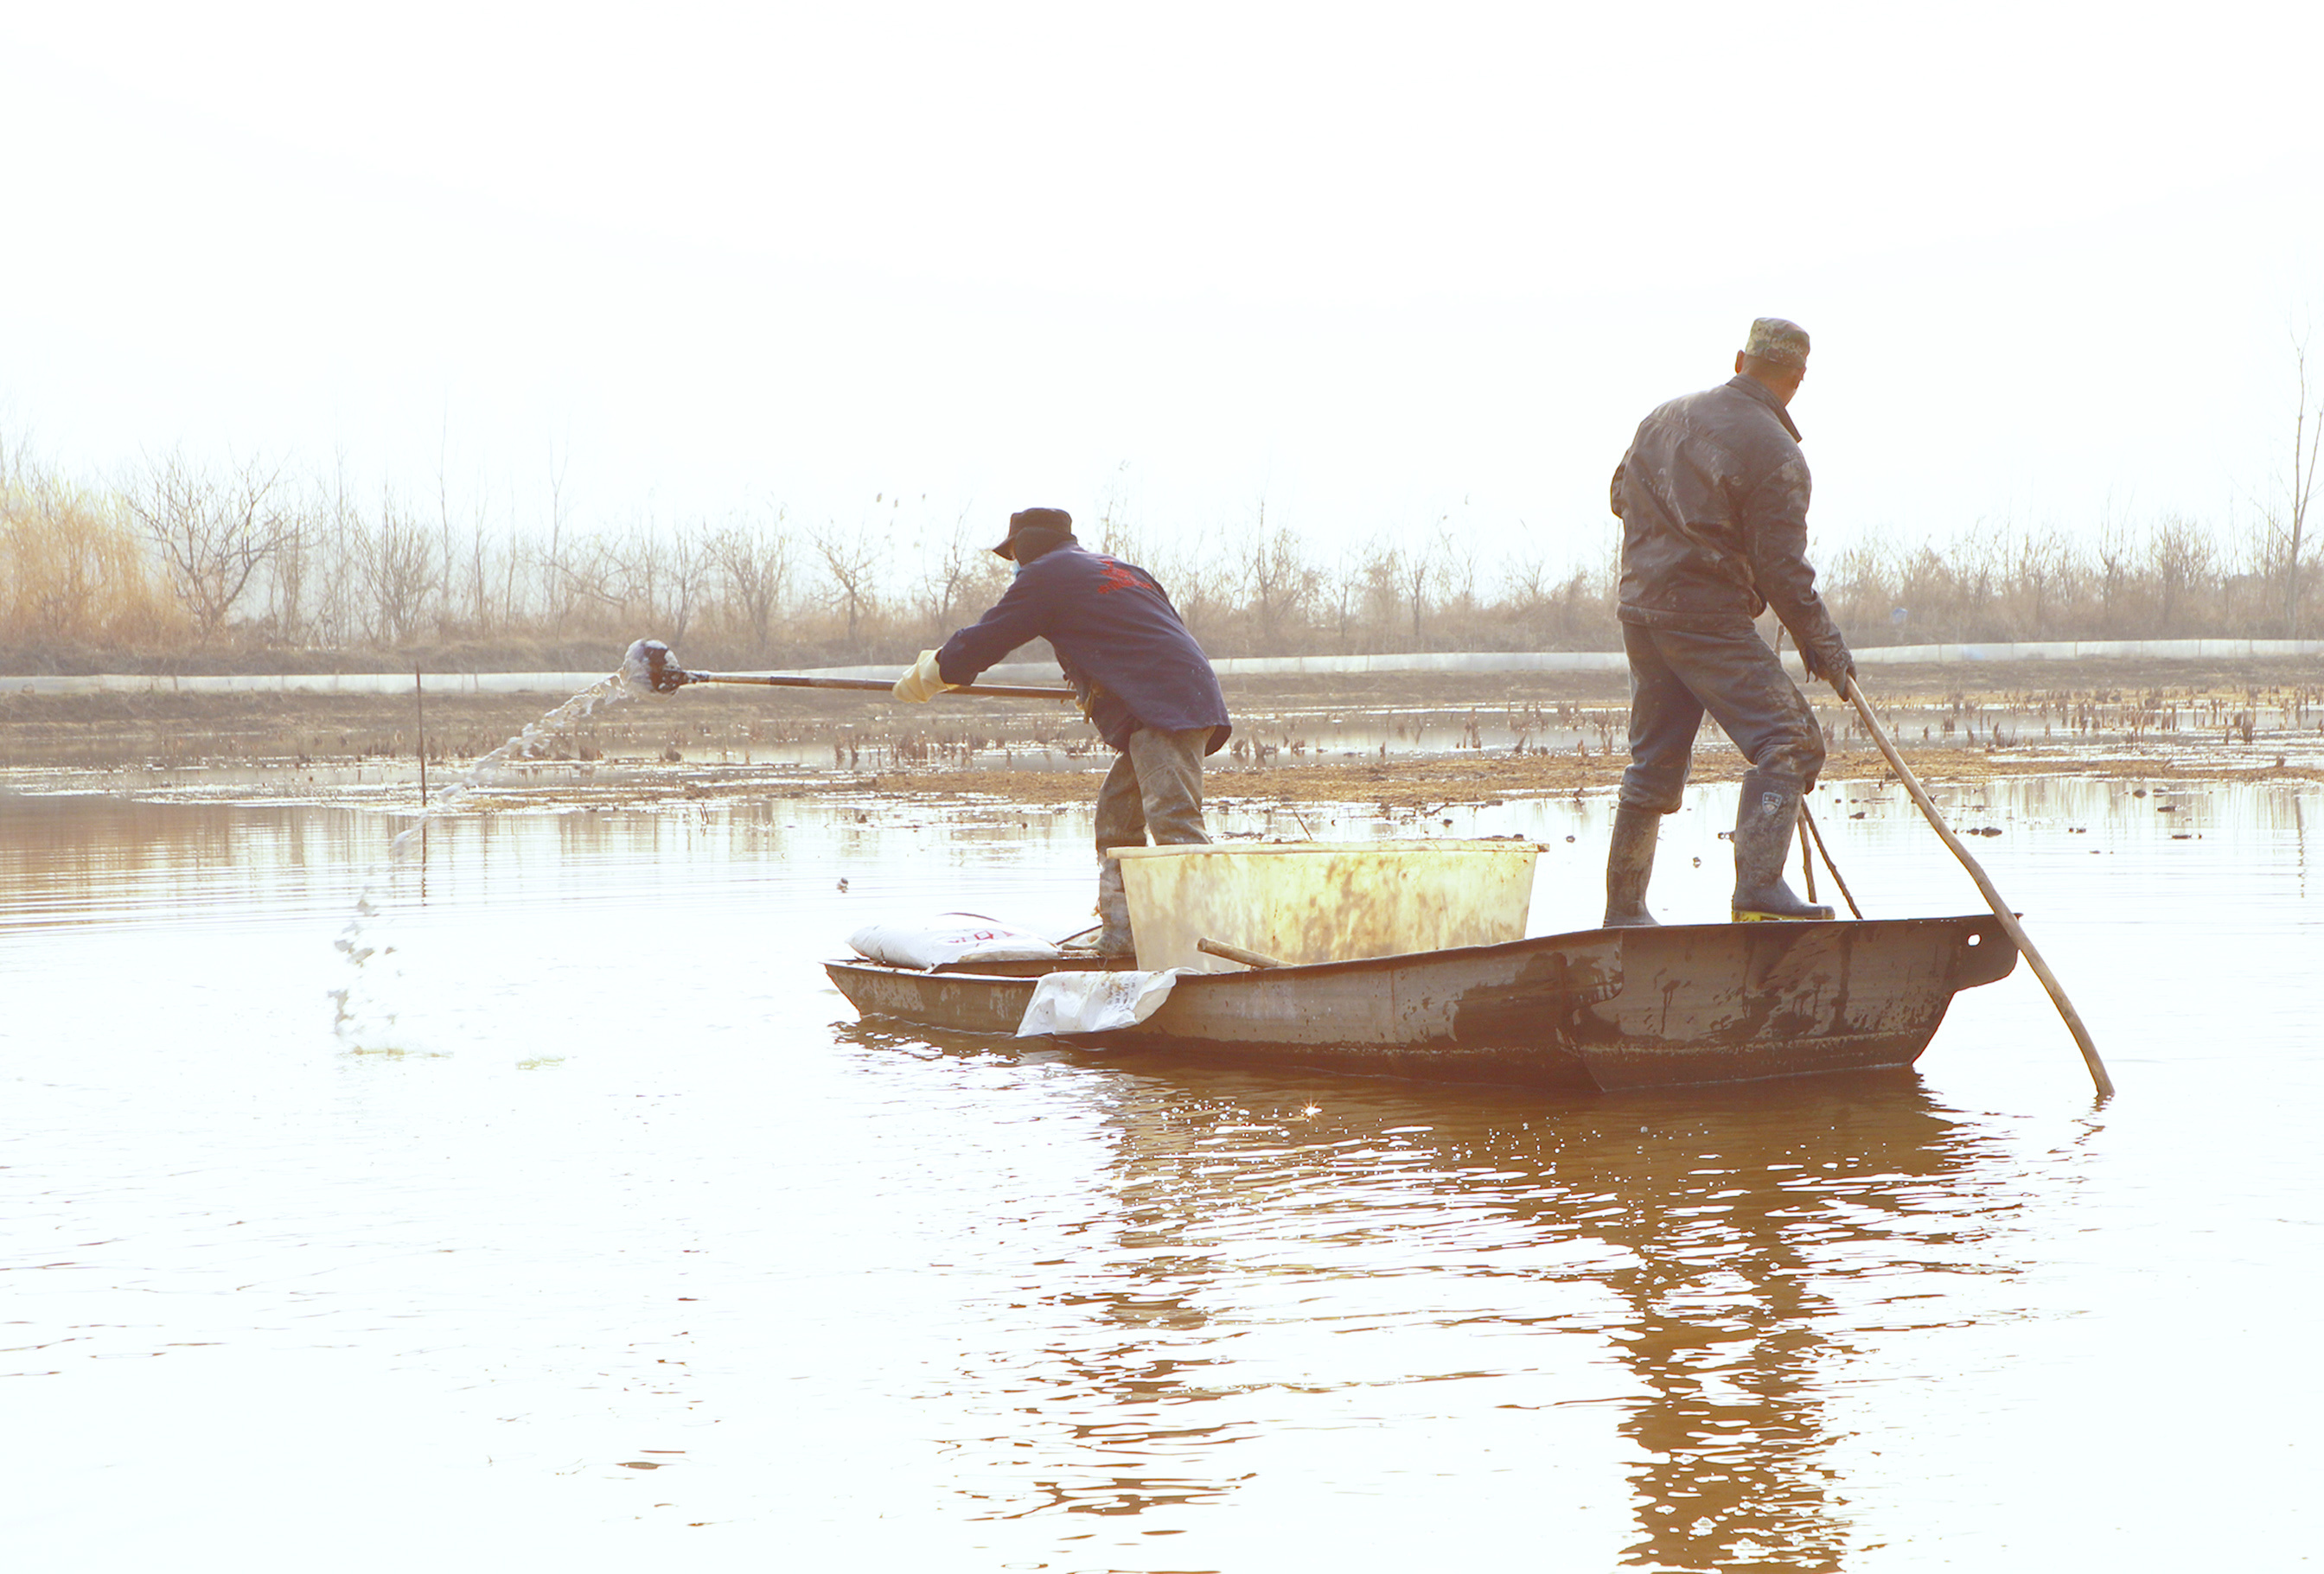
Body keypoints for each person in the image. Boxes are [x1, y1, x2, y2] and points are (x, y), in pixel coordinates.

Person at [893, 507, 1232, 958]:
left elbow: (990, 636)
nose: (1013, 566)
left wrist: (934, 673)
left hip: (1164, 706)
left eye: (1013, 554)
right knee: (1116, 818)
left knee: (1174, 823)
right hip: (1178, 695)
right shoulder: (1117, 569)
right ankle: (1124, 937)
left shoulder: (1046, 575)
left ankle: (1212, 942)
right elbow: (1137, 636)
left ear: (1028, 546)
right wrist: (1096, 684)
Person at [1604, 317, 1854, 926]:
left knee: (1653, 763)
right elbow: (1782, 571)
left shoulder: (1661, 419)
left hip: (1642, 612)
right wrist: (1824, 644)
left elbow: (1619, 496)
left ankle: (1624, 912)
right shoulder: (1779, 455)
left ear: (1740, 360)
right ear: (1796, 380)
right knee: (1791, 741)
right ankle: (1759, 893)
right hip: (1705, 617)